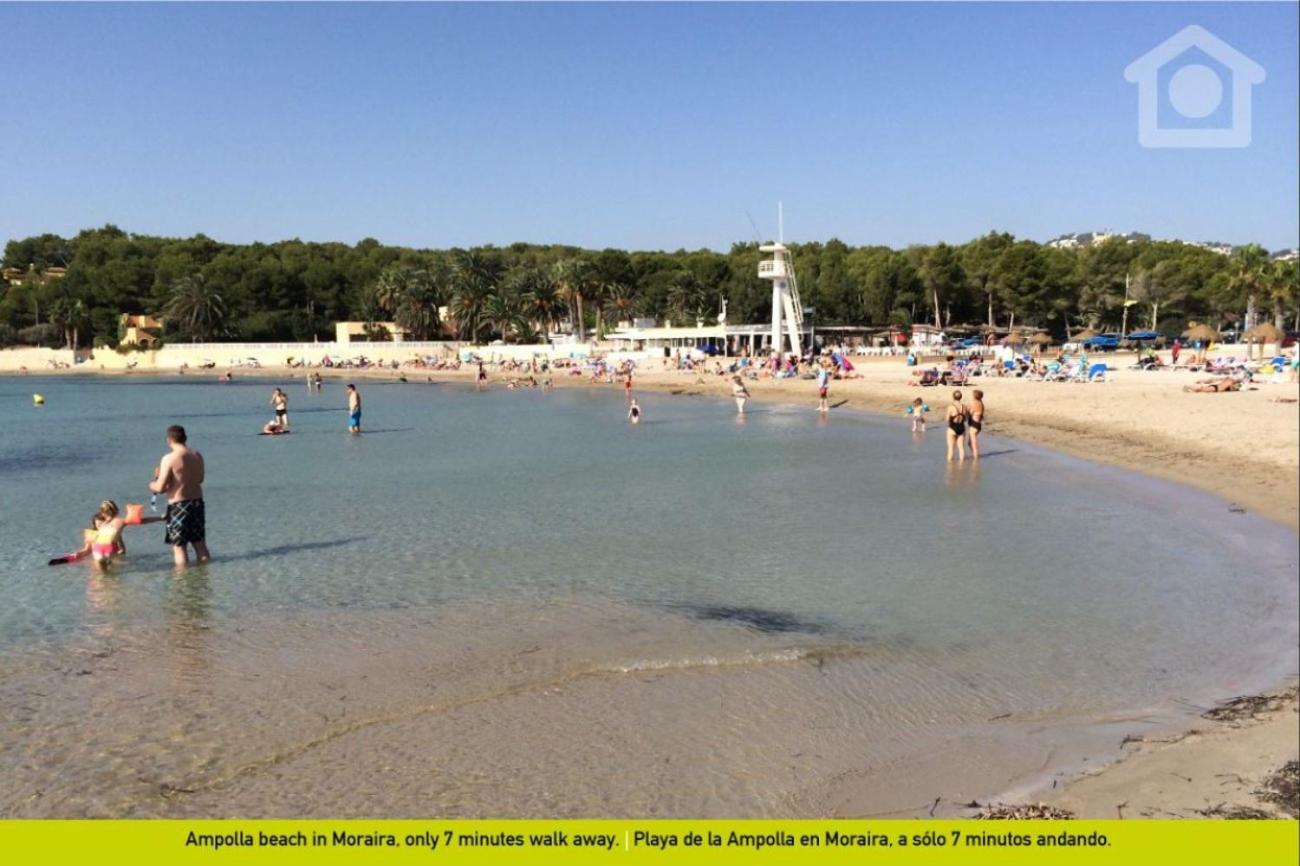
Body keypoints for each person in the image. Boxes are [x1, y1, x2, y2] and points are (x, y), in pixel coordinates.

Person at [149, 425, 210, 567]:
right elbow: (200, 479)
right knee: (200, 544)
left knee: (179, 547)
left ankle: (182, 578)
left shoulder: (169, 458)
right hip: (197, 503)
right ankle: (205, 574)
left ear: (169, 440)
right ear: (185, 438)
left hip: (179, 505)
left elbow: (160, 488)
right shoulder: (197, 455)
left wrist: (152, 484)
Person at [945, 390, 968, 462]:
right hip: (961, 427)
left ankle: (950, 466)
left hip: (952, 428)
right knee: (961, 448)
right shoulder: (964, 407)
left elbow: (947, 419)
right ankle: (961, 465)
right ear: (961, 397)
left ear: (953, 397)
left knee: (951, 449)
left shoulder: (950, 407)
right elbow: (966, 419)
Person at [967, 389, 985, 459]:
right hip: (977, 424)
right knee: (969, 443)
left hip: (974, 424)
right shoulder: (981, 403)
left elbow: (970, 412)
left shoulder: (974, 403)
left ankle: (976, 458)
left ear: (975, 396)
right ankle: (975, 456)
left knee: (973, 444)